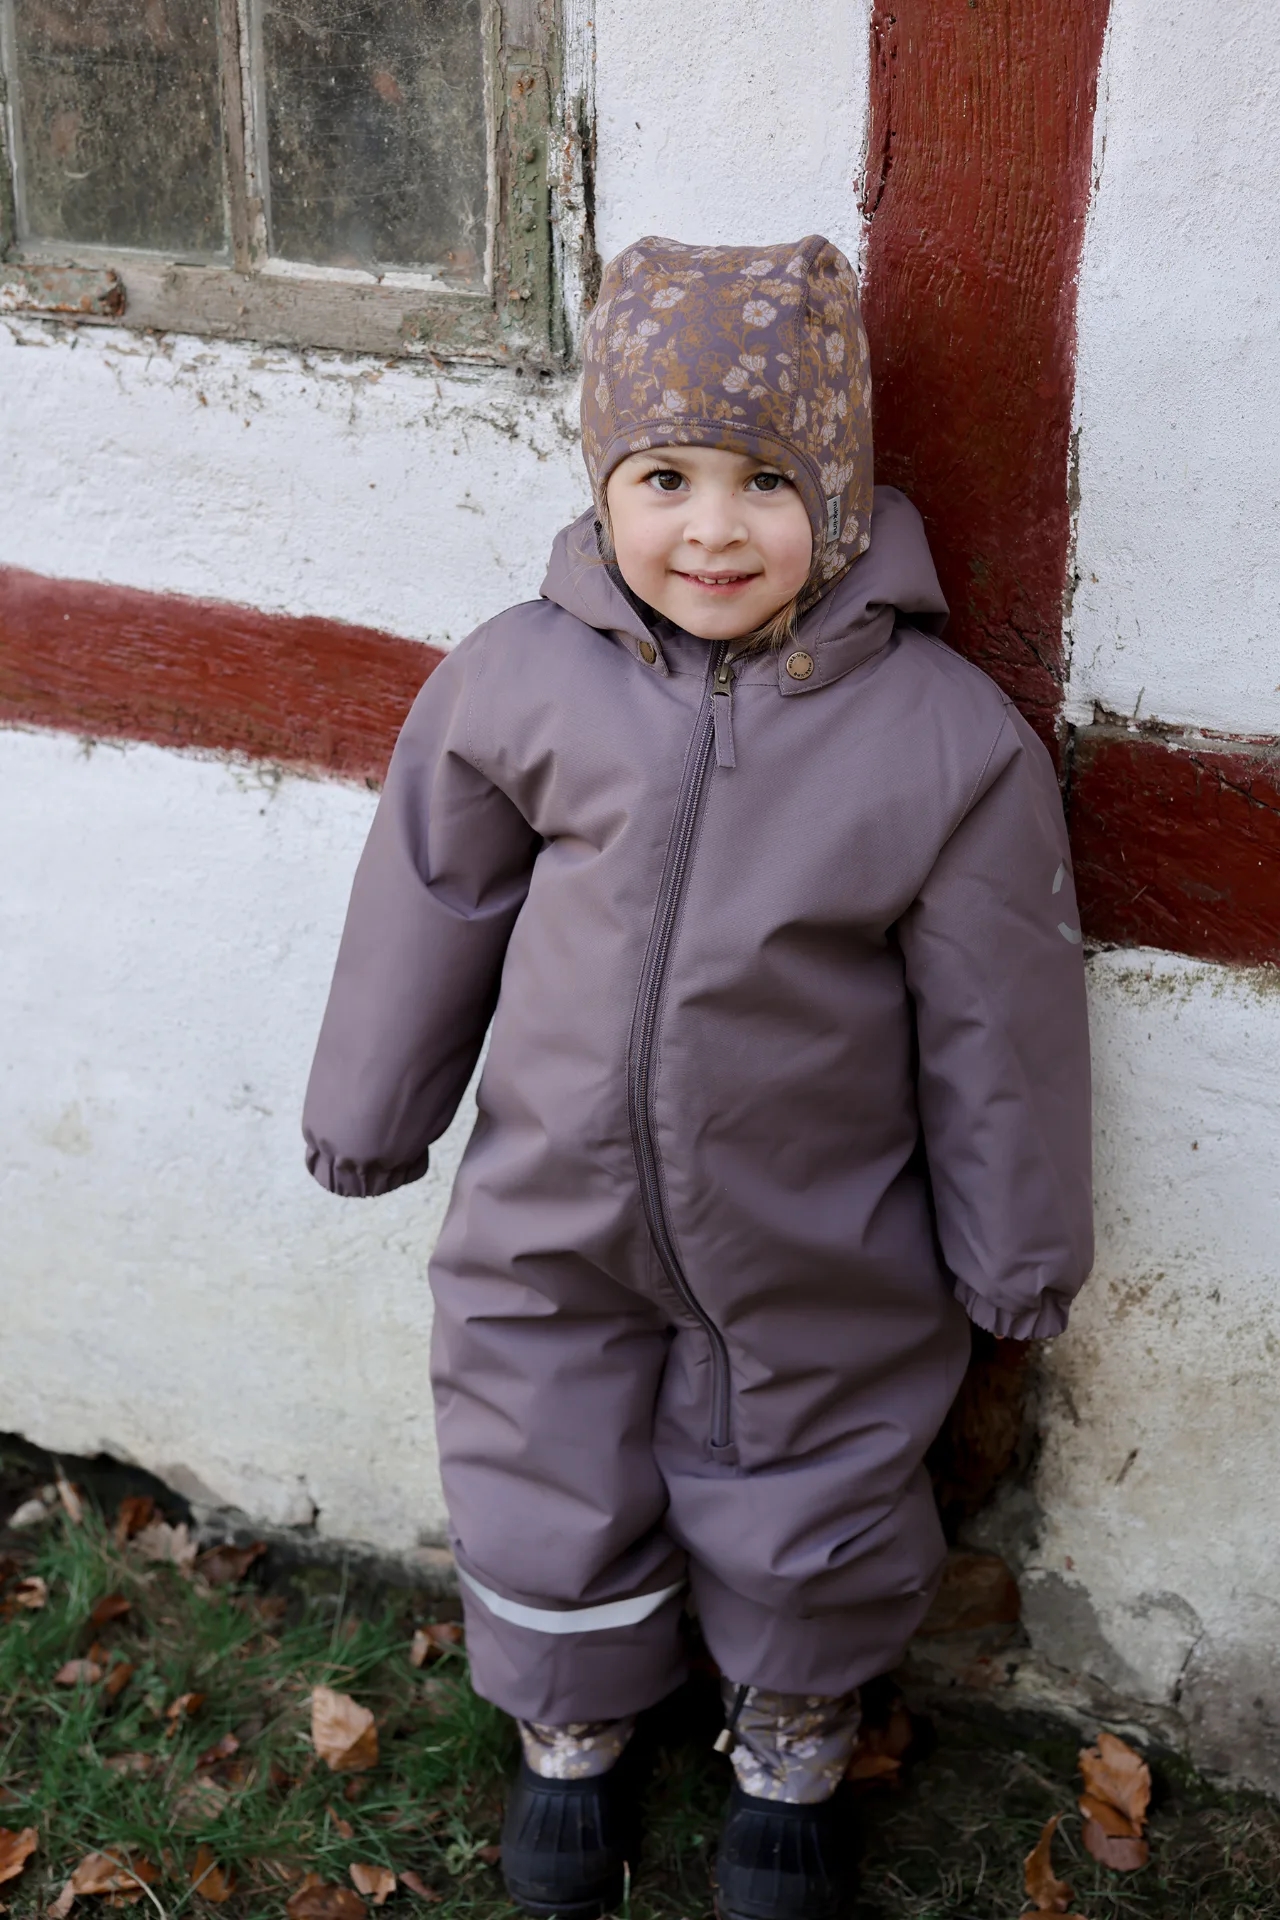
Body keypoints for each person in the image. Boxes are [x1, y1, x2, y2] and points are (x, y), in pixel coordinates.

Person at [303, 235, 1093, 1920]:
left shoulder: (944, 741)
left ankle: (794, 1734)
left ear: (844, 495)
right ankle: (572, 1722)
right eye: (666, 478)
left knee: (817, 1461)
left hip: (811, 1225)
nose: (713, 529)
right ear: (605, 483)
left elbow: (999, 1021)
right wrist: (371, 1113)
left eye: (767, 482)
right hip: (551, 1198)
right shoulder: (517, 679)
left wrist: (1017, 1253)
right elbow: (430, 899)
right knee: (539, 1433)